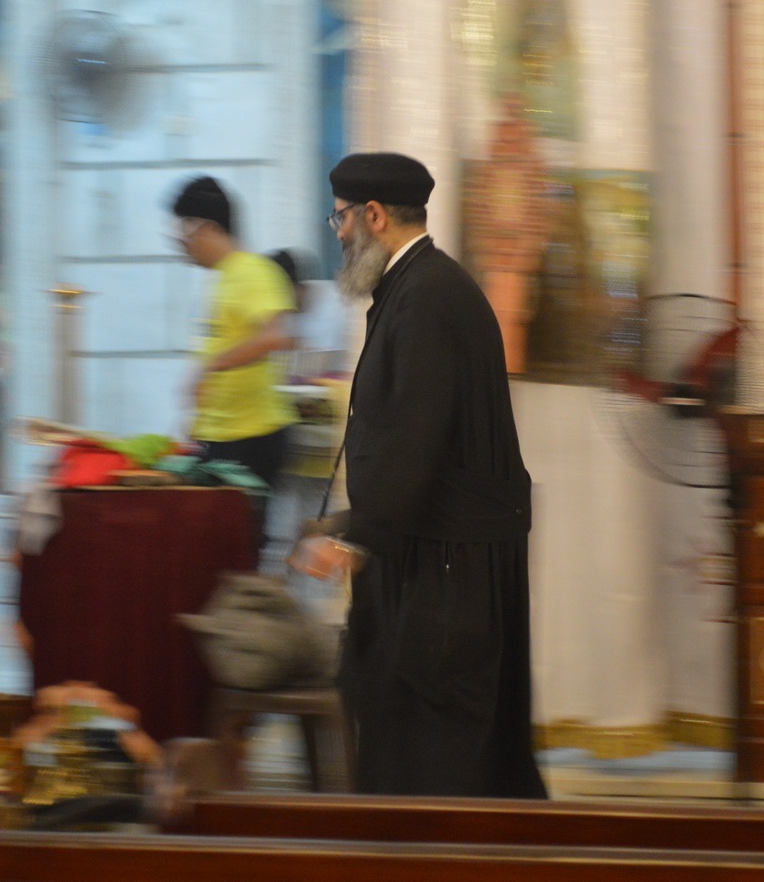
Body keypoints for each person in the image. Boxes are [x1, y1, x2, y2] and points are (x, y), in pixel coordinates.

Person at [290, 151, 547, 798]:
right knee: (416, 729)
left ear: (374, 216)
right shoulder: (418, 286)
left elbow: (415, 438)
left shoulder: (426, 298)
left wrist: (355, 537)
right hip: (432, 549)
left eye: (341, 218)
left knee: (440, 746)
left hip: (445, 564)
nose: (338, 233)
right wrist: (350, 525)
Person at [170, 175, 297, 556]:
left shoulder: (252, 272)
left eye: (182, 231)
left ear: (206, 228)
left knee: (234, 554)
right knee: (215, 552)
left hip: (249, 439)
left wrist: (211, 368)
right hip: (223, 437)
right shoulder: (226, 277)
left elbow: (276, 336)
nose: (180, 242)